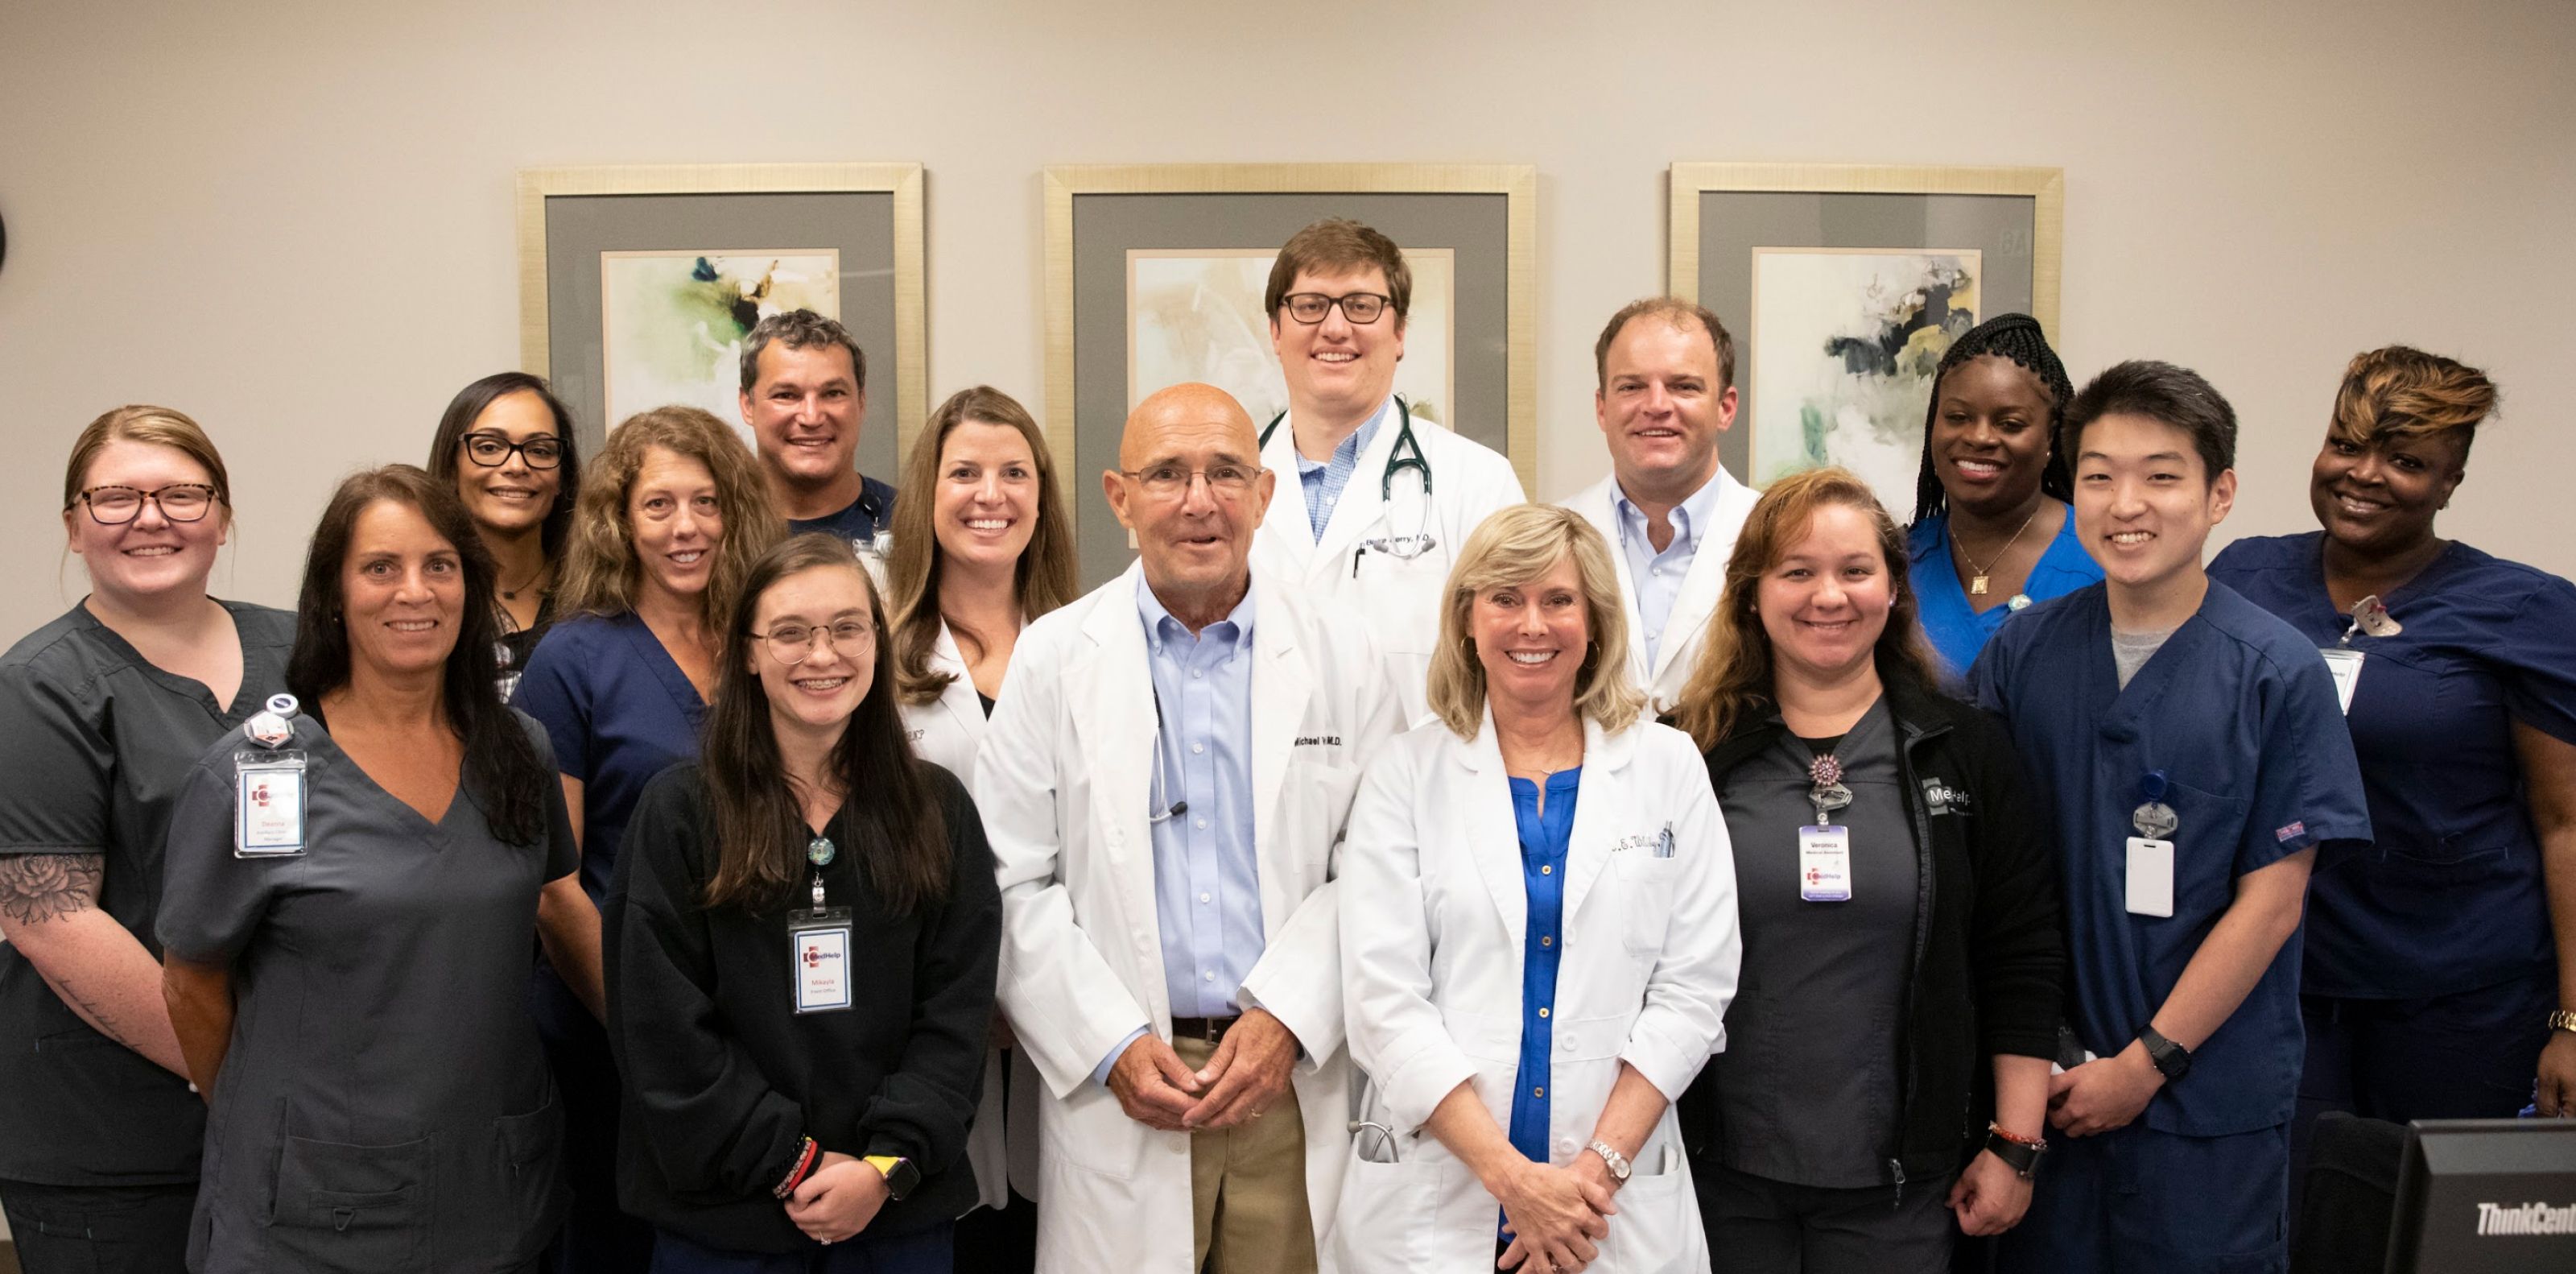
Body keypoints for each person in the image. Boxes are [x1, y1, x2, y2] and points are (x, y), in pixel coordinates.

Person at [972, 383, 1403, 1273]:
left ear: (1264, 494)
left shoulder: (1344, 651)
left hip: (1285, 1077)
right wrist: (1109, 1042)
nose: (1199, 501)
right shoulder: (1054, 658)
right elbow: (1008, 881)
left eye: (1225, 473)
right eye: (1166, 473)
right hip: (1121, 1080)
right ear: (1118, 497)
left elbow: (1379, 865)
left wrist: (1287, 1013)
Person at [1971, 362, 2372, 1274]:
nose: (2125, 504)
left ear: (2218, 492)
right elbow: (1991, 869)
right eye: (2098, 474)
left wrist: (2146, 1061)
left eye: (2160, 474)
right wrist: (2041, 1073)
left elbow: (2272, 903)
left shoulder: (2274, 671)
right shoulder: (2025, 652)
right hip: (2052, 1090)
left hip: (2205, 1105)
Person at [157, 465, 592, 1272]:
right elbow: (191, 979)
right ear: (333, 592)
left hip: (488, 1190)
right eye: (380, 567)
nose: (414, 591)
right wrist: (270, 1122)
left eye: (439, 565)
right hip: (308, 1215)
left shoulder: (516, 751)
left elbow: (556, 906)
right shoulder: (259, 776)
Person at [1668, 468, 2064, 1272]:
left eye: (1854, 570)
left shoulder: (1967, 749)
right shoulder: (1684, 754)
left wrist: (2014, 1143)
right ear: (1750, 593)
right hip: (1713, 1172)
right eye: (1796, 571)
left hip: (1901, 1185)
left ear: (1892, 589)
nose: (1828, 595)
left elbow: (2018, 956)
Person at [1332, 503, 1740, 1274]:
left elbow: (1696, 987)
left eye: (1559, 600)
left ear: (1595, 622)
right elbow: (1383, 1001)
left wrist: (1589, 1178)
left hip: (1608, 1205)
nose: (1533, 625)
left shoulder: (1668, 766)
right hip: (1443, 1193)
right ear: (1466, 621)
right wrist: (1515, 1182)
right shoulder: (1405, 774)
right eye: (1505, 599)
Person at [2207, 347, 2576, 1143]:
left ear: (2450, 482)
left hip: (2462, 998)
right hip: (2286, 979)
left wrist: (2573, 1022)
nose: (2362, 474)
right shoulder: (2244, 575)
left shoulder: (2524, 610)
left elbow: (2564, 824)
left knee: (2427, 1234)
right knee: (2296, 1225)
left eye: (2403, 461)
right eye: (2344, 445)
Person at [606, 534, 1001, 1272]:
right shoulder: (680, 813)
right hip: (726, 1227)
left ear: (878, 644)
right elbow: (659, 1030)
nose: (823, 655)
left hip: (894, 1221)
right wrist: (796, 1163)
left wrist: (882, 1168)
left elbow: (957, 1015)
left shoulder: (936, 810)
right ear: (749, 653)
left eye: (848, 628)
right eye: (791, 632)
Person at [0, 407, 292, 1274]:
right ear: (72, 525)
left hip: (296, 1121)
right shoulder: (39, 685)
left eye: (181, 493)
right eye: (117, 496)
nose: (151, 516)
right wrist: (242, 1066)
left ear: (225, 515)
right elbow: (50, 919)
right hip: (113, 1135)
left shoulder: (304, 647)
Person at [516, 405, 786, 1272]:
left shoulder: (767, 644)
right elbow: (555, 886)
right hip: (611, 1032)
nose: (685, 528)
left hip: (755, 1029)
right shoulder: (573, 657)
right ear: (618, 521)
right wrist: (648, 1034)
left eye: (705, 503)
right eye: (658, 505)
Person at [885, 385, 1077, 1271]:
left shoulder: (1087, 646)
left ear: (1041, 496)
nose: (989, 493)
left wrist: (1031, 987)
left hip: (1066, 1006)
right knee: (949, 1222)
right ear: (927, 494)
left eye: (1013, 472)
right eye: (963, 472)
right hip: (921, 1006)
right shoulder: (877, 652)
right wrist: (972, 991)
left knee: (1051, 1224)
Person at [1248, 217, 1525, 723]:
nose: (1335, 328)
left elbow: (1517, 665)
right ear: (1275, 330)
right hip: (1263, 794)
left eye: (1361, 305)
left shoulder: (1479, 482)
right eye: (1309, 306)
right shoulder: (1226, 485)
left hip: (1422, 793)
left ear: (1399, 332)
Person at [1566, 299, 1761, 714]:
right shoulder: (1554, 533)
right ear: (1602, 408)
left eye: (1684, 386)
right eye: (1631, 386)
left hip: (1734, 776)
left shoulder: (1775, 534)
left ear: (1725, 408)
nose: (1656, 405)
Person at [1903, 314, 2102, 679]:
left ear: (2051, 438)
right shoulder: (1897, 561)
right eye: (1958, 417)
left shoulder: (2102, 556)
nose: (1980, 437)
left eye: (2010, 424)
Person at [427, 371, 584, 698]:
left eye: (540, 450)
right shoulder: (421, 600)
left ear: (562, 479)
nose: (516, 466)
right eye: (489, 446)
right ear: (451, 467)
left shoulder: (597, 597)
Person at [739, 309, 898, 559]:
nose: (811, 417)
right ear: (748, 404)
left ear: (861, 402)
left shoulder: (913, 525)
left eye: (833, 393)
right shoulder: (710, 529)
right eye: (786, 395)